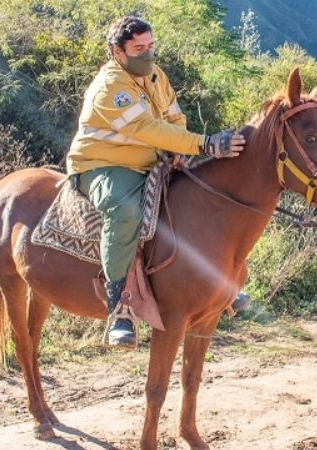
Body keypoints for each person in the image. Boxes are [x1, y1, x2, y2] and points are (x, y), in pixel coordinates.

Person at [66, 16, 248, 346]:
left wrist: (176, 148)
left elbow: (173, 116)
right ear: (117, 52)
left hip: (150, 160)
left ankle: (214, 281)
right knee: (125, 213)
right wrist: (203, 144)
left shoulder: (153, 73)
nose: (148, 54)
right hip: (105, 164)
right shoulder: (112, 88)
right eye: (138, 48)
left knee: (195, 200)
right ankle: (120, 306)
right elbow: (147, 129)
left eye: (150, 46)